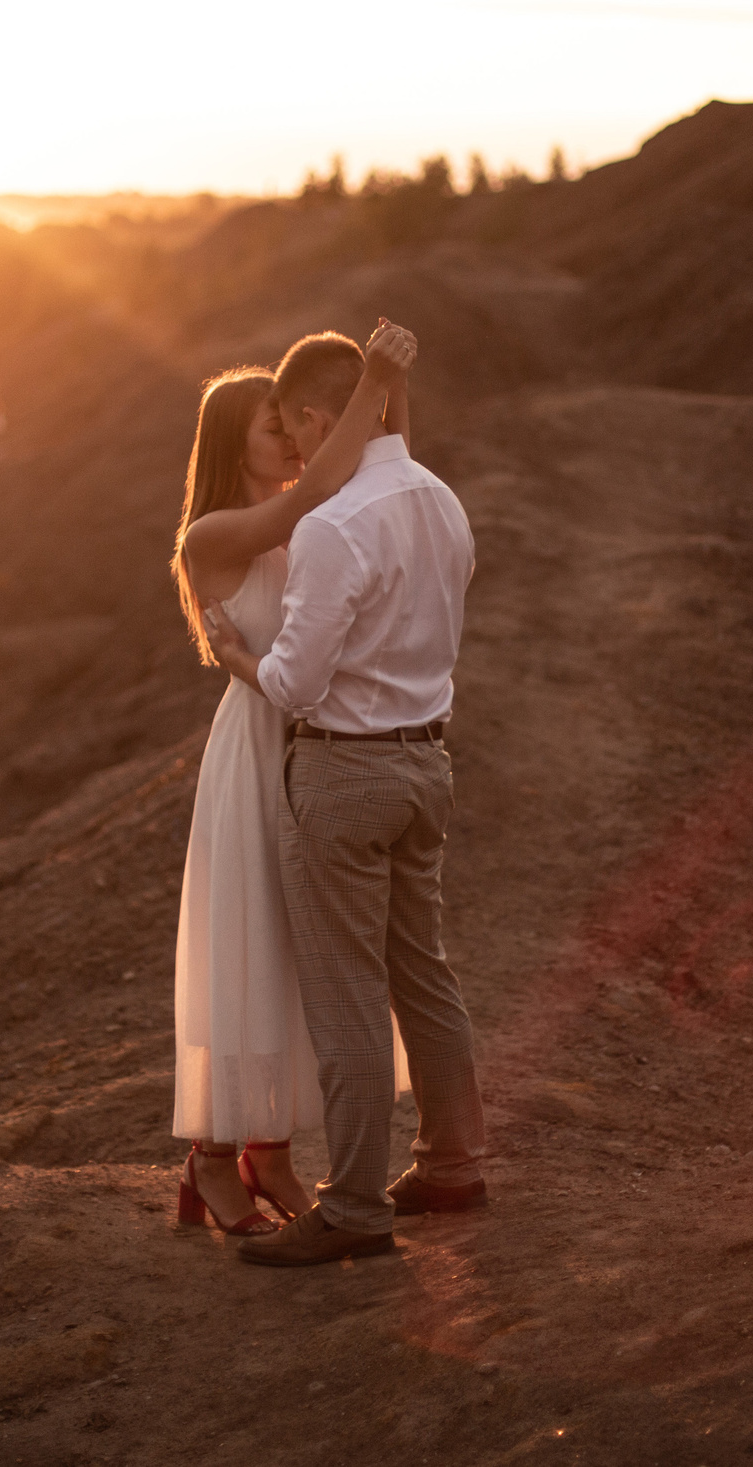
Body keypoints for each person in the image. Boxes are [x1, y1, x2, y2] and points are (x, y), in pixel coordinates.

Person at [204, 329, 489, 1268]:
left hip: (344, 774)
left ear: (315, 419)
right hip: (426, 763)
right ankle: (452, 1164)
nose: (296, 451)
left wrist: (239, 658)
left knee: (348, 993)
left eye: (295, 429)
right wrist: (389, 384)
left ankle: (358, 1206)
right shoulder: (441, 499)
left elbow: (294, 682)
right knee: (423, 971)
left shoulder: (331, 527)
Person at [168, 320, 418, 1238]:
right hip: (256, 752)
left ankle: (267, 1152)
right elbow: (318, 485)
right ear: (234, 442)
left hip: (315, 740)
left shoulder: (310, 520)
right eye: (276, 425)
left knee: (294, 952)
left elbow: (387, 477)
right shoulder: (214, 535)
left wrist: (396, 394)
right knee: (249, 945)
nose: (292, 437)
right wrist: (372, 381)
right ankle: (209, 1158)